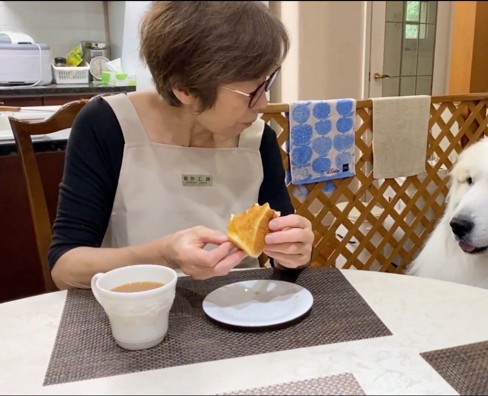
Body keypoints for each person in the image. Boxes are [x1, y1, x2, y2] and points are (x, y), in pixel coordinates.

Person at [48, 1, 313, 290]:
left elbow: (283, 253)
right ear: (184, 87)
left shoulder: (258, 138)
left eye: (267, 83)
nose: (263, 104)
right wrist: (163, 255)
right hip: (138, 310)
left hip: (241, 308)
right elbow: (65, 268)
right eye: (251, 92)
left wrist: (293, 253)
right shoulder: (108, 125)